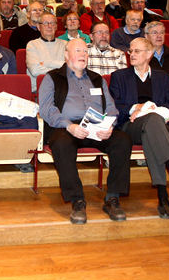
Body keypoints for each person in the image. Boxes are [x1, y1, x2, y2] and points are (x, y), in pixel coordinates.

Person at [39, 39, 132, 224]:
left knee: (122, 140)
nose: (83, 55)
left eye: (85, 52)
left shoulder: (97, 79)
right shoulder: (51, 78)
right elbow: (47, 109)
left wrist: (109, 126)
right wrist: (69, 125)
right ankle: (77, 200)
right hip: (67, 127)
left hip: (97, 126)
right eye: (78, 51)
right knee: (61, 143)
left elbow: (111, 107)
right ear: (66, 55)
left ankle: (113, 198)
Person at [109, 38, 169, 219]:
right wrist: (135, 108)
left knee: (153, 125)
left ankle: (163, 197)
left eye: (137, 51)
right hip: (130, 126)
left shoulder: (162, 77)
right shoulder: (120, 76)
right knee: (153, 123)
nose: (131, 54)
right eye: (130, 51)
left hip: (157, 127)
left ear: (149, 54)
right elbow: (115, 106)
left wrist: (149, 108)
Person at [26, 12, 67, 90]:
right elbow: (35, 71)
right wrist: (59, 67)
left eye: (52, 23)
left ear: (56, 27)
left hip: (61, 89)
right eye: (45, 23)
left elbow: (68, 69)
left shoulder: (66, 45)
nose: (49, 26)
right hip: (39, 89)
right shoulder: (32, 45)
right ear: (38, 27)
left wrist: (46, 63)